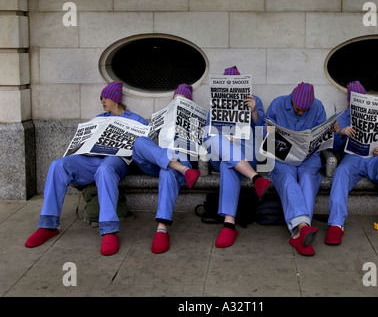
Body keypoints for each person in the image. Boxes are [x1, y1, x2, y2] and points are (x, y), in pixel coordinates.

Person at [25, 82, 147, 256]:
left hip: (117, 160)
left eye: (104, 97)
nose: (102, 101)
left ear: (115, 98)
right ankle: (48, 225)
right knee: (58, 165)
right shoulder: (98, 119)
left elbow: (143, 148)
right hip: (92, 159)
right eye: (101, 98)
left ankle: (109, 229)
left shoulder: (136, 119)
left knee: (105, 170)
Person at [205, 66, 271, 248]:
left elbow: (261, 133)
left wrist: (254, 112)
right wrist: (224, 138)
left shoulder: (254, 100)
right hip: (221, 153)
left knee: (229, 163)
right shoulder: (215, 104)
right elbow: (209, 133)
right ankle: (256, 178)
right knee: (216, 141)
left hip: (247, 154)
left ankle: (229, 224)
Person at [325, 81, 378, 245]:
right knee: (341, 173)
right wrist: (341, 133)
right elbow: (333, 145)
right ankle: (336, 223)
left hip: (376, 157)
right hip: (353, 158)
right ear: (350, 102)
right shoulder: (343, 116)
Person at [132, 84, 201, 254]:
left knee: (168, 172)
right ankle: (178, 167)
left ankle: (161, 229)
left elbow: (200, 148)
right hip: (159, 160)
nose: (177, 100)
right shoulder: (163, 115)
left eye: (182, 98)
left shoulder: (196, 118)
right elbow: (148, 141)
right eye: (176, 97)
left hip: (179, 162)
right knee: (140, 142)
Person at [266, 82, 330, 256]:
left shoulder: (318, 107)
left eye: (304, 110)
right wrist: (268, 132)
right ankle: (303, 230)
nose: (301, 112)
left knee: (308, 180)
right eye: (297, 109)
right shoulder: (277, 104)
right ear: (292, 99)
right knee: (287, 180)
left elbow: (322, 137)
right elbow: (264, 135)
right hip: (283, 156)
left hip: (308, 158)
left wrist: (332, 133)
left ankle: (299, 233)